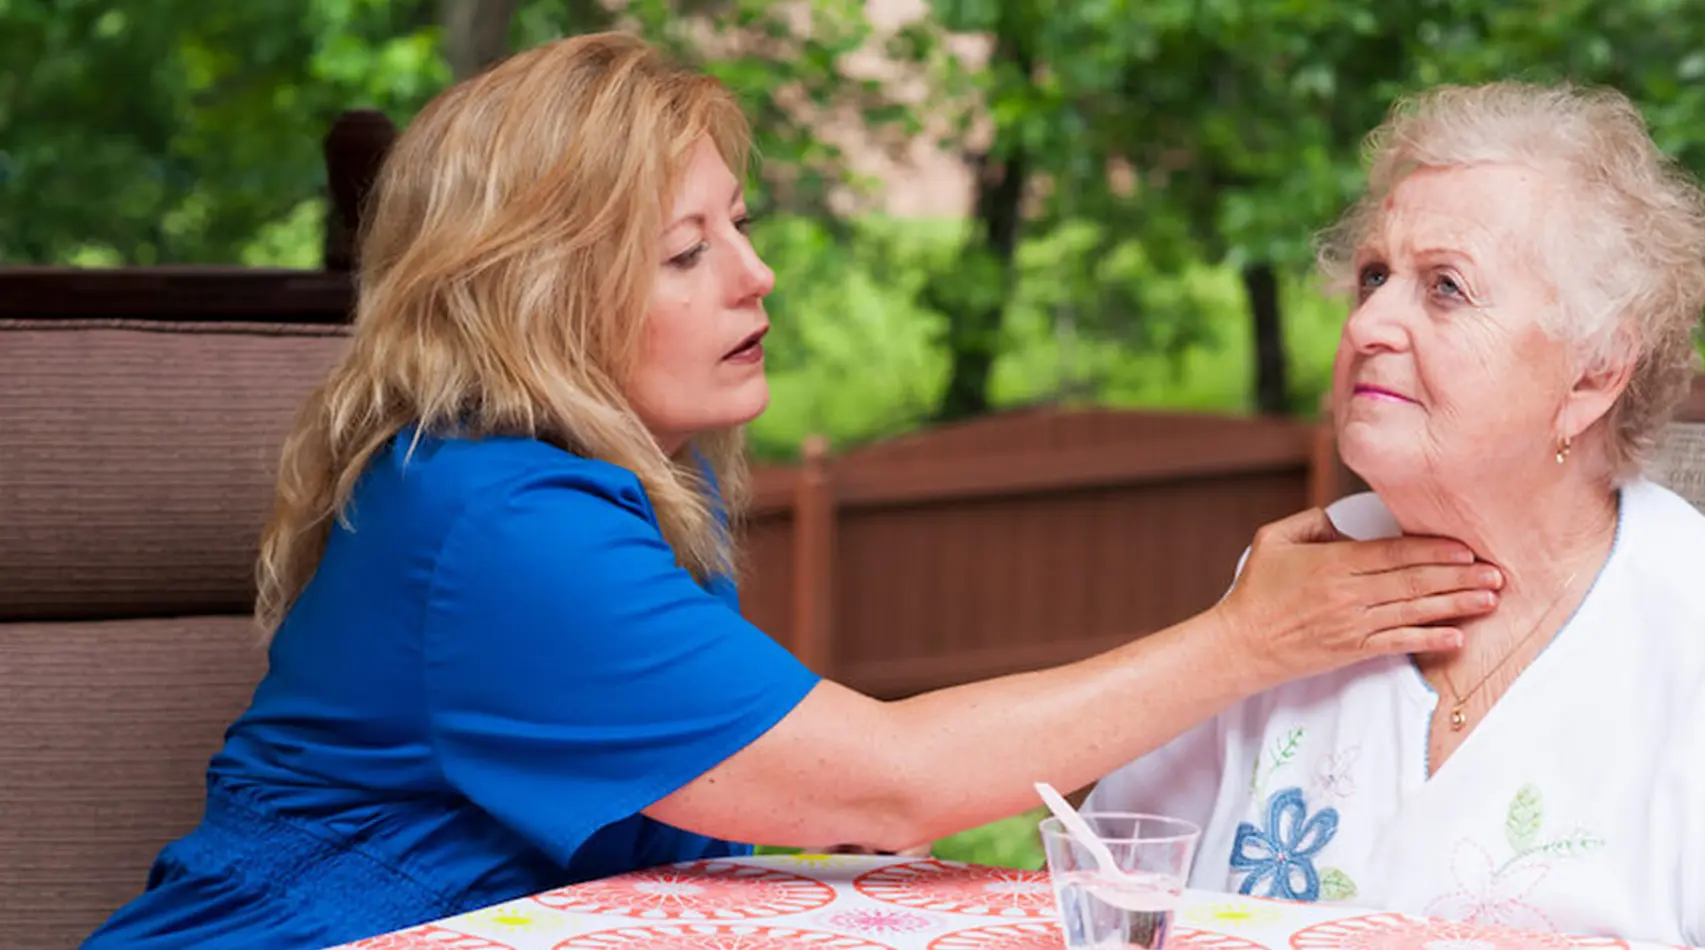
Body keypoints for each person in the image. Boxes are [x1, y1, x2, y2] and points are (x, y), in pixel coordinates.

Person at [77, 33, 1506, 950]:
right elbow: (883, 784)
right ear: (539, 294)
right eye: (685, 251)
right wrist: (1250, 637)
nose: (757, 277)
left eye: (740, 227)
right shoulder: (499, 525)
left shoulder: (620, 480)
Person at [1083, 80, 1705, 950]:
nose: (1368, 324)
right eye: (1373, 277)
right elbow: (1107, 878)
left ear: (1594, 372)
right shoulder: (1292, 586)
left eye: (1445, 287)